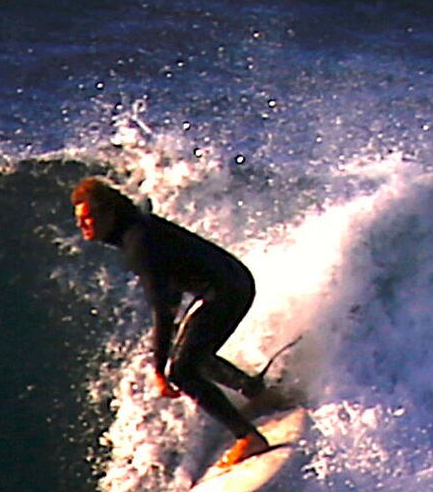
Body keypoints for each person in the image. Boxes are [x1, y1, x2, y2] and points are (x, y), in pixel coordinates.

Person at [72, 178, 283, 463]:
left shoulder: (138, 243)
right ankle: (256, 392)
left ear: (109, 214)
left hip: (223, 292)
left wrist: (159, 369)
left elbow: (164, 310)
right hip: (235, 281)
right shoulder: (137, 227)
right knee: (190, 353)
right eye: (79, 219)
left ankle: (248, 437)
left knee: (180, 371)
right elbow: (170, 297)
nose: (82, 225)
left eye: (88, 218)